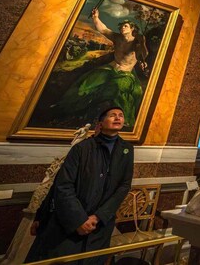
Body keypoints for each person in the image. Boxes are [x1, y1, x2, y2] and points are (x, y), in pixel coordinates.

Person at [26, 107, 134, 264]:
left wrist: (99, 216)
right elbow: (63, 185)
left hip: (100, 226)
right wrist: (78, 220)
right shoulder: (82, 148)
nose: (118, 118)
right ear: (100, 123)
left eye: (121, 115)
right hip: (70, 225)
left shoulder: (127, 149)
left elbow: (124, 185)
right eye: (112, 115)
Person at [54, 8, 146, 129]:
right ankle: (67, 108)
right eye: (121, 26)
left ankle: (117, 121)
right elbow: (103, 29)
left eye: (125, 26)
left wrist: (143, 45)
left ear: (132, 28)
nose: (122, 28)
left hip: (125, 73)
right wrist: (96, 17)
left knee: (118, 90)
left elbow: (144, 54)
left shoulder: (137, 42)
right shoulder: (117, 38)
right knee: (88, 81)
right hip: (111, 67)